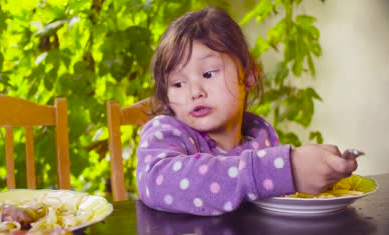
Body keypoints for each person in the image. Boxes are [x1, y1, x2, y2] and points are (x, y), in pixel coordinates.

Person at [136, 7, 357, 216]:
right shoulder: (166, 133)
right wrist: (284, 168)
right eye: (177, 84)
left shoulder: (259, 136)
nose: (195, 92)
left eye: (209, 74)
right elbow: (156, 183)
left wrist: (316, 173)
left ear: (249, 75)